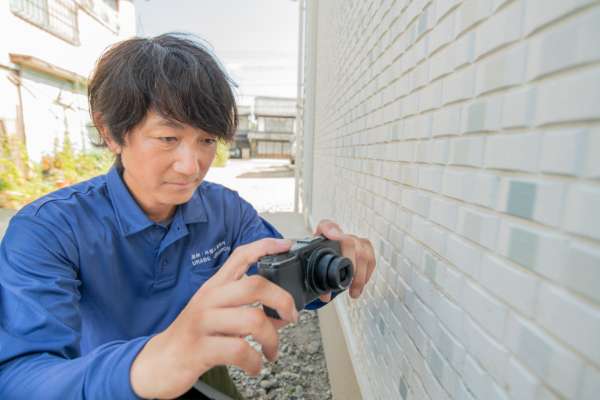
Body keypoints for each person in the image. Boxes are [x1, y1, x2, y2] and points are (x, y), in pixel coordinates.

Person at [0, 33, 375, 399]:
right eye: (168, 138)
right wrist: (148, 363)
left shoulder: (225, 211)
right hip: (95, 380)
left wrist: (327, 263)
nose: (191, 166)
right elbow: (19, 376)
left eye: (207, 140)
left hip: (195, 365)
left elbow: (279, 278)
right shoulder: (48, 230)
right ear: (110, 132)